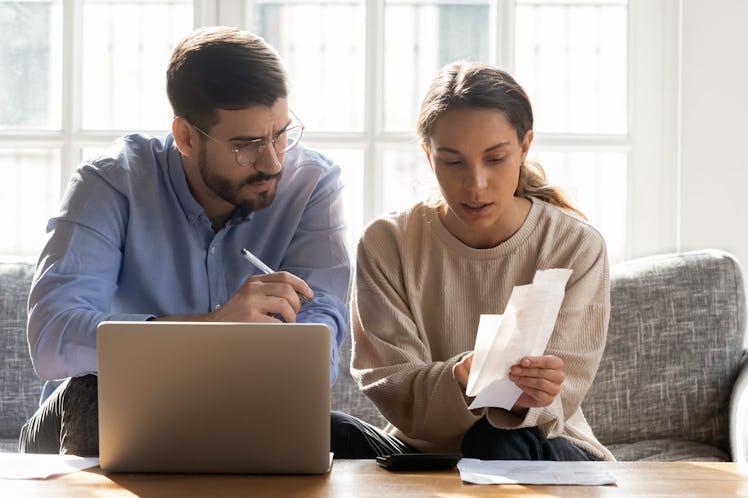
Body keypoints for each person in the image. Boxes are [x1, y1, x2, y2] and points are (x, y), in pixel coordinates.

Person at [19, 26, 350, 456]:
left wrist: (280, 367)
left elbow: (321, 328)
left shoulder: (313, 185)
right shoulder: (111, 182)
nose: (272, 161)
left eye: (281, 134)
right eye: (246, 144)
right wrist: (214, 330)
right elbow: (52, 336)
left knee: (348, 439)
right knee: (93, 393)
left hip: (238, 406)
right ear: (187, 137)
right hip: (91, 412)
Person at [337, 61, 614, 461]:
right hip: (420, 448)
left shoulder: (575, 245)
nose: (475, 184)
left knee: (493, 442)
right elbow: (389, 382)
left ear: (524, 146)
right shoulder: (387, 242)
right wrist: (457, 380)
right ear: (428, 157)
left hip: (537, 442)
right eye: (453, 162)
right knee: (325, 430)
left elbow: (561, 396)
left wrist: (528, 394)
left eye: (495, 158)